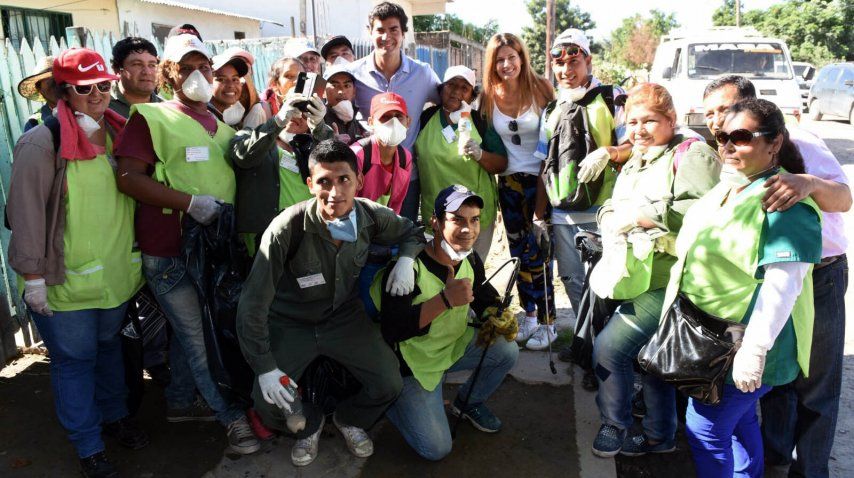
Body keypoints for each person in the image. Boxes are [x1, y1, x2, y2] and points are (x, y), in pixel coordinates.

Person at [236, 139, 425, 467]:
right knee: (266, 404)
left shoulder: (371, 216)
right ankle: (309, 423)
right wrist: (265, 367)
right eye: (324, 181)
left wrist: (407, 260)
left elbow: (413, 232)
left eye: (344, 180)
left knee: (388, 383)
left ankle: (349, 419)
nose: (335, 191)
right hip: (290, 323)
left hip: (343, 319)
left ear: (359, 182)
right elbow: (252, 306)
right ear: (310, 185)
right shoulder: (285, 229)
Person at [113, 33, 259, 455]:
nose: (199, 75)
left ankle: (179, 401)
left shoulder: (219, 122)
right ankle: (231, 418)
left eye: (205, 67)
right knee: (199, 338)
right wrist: (188, 203)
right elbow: (128, 178)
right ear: (169, 74)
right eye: (187, 68)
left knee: (190, 333)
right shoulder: (152, 118)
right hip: (171, 252)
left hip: (213, 250)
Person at [7, 48, 148, 478]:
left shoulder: (123, 132)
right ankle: (89, 445)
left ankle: (114, 416)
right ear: (65, 91)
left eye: (103, 85)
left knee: (108, 351)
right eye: (85, 88)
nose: (97, 95)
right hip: (63, 282)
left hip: (115, 277)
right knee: (74, 361)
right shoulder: (41, 142)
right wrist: (33, 278)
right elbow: (26, 214)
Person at [703, 75, 851, 478]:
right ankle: (776, 462)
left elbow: (844, 198)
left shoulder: (797, 141)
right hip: (763, 284)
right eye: (711, 113)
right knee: (777, 382)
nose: (718, 122)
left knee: (815, 386)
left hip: (819, 276)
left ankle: (812, 470)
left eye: (726, 109)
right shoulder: (731, 152)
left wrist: (808, 183)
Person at [672, 98, 821, 478]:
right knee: (738, 424)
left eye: (740, 137)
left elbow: (784, 283)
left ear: (774, 143)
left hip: (744, 343)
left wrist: (754, 351)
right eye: (721, 136)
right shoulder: (734, 185)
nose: (726, 146)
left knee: (705, 429)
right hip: (714, 338)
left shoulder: (783, 200)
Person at [588, 83, 721, 458]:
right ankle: (659, 435)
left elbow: (704, 212)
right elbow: (617, 203)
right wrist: (609, 215)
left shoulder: (692, 154)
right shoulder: (641, 155)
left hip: (669, 279)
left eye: (650, 120)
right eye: (632, 121)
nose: (639, 129)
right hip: (635, 273)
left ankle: (616, 424)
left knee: (608, 349)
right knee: (653, 358)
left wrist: (645, 218)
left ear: (671, 119)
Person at [372, 185, 518, 460]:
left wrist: (493, 312)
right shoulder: (405, 269)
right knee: (436, 449)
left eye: (474, 219)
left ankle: (466, 403)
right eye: (457, 219)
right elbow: (392, 330)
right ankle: (392, 403)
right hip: (414, 365)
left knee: (506, 349)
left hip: (451, 348)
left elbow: (480, 294)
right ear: (436, 223)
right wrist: (445, 300)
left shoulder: (469, 256)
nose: (469, 229)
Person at [535, 28, 629, 316]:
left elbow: (634, 146)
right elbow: (543, 165)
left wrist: (609, 153)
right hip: (563, 214)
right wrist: (539, 217)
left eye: (573, 62)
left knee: (607, 281)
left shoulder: (613, 98)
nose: (566, 70)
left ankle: (605, 346)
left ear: (589, 62)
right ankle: (585, 342)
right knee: (572, 279)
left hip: (605, 211)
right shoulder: (551, 109)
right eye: (560, 64)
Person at [480, 32, 556, 350]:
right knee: (518, 254)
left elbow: (554, 139)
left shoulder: (540, 88)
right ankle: (529, 314)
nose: (507, 64)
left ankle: (549, 323)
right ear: (492, 64)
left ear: (522, 57)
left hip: (539, 181)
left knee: (539, 252)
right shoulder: (487, 95)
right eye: (500, 59)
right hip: (508, 183)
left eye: (513, 57)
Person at [346, 1, 441, 221]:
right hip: (364, 172)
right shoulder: (352, 73)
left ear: (403, 33)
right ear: (369, 33)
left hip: (406, 173)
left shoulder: (423, 74)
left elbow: (445, 102)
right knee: (363, 238)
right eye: (379, 30)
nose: (386, 36)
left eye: (393, 30)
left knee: (400, 235)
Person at [415, 65, 507, 259]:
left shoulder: (481, 122)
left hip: (474, 217)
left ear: (472, 96)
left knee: (471, 276)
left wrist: (481, 154)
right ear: (441, 90)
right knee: (441, 276)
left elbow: (501, 164)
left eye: (464, 87)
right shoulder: (426, 118)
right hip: (438, 215)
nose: (457, 91)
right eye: (451, 85)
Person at [230, 86, 333, 251]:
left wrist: (319, 127)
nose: (297, 115)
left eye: (305, 109)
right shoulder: (251, 135)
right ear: (282, 106)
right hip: (264, 237)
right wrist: (278, 121)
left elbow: (337, 163)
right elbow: (244, 156)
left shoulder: (314, 146)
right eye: (294, 105)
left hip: (306, 234)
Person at [351, 92, 412, 214]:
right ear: (371, 122)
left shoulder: (405, 158)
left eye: (398, 116)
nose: (393, 122)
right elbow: (347, 204)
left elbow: (397, 203)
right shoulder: (357, 155)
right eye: (385, 117)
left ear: (408, 122)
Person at [109, 37, 161, 118]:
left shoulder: (168, 110)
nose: (147, 72)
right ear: (117, 69)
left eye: (152, 65)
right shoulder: (101, 108)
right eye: (137, 64)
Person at [323, 64, 366, 144]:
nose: (341, 91)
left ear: (354, 91)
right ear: (323, 91)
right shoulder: (317, 118)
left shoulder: (358, 120)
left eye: (347, 86)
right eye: (335, 85)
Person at [209, 51, 250, 126]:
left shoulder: (237, 112)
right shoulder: (202, 118)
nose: (231, 85)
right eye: (221, 79)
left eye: (235, 79)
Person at [18, 56, 57, 132]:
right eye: (49, 81)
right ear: (39, 89)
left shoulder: (80, 108)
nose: (56, 86)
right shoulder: (33, 123)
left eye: (58, 80)